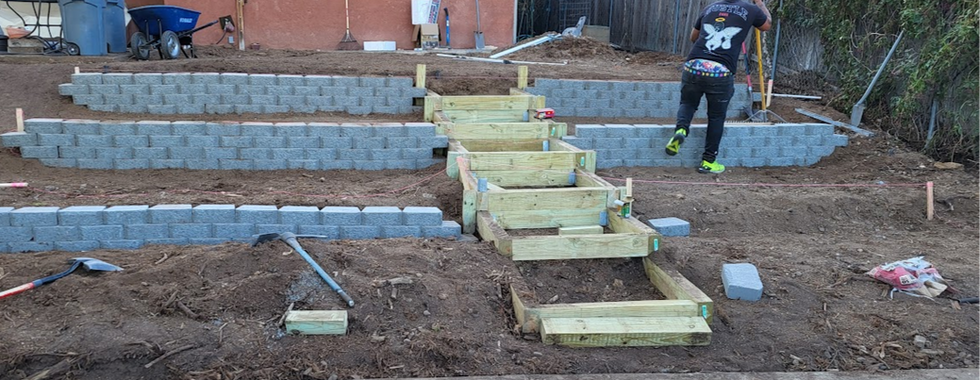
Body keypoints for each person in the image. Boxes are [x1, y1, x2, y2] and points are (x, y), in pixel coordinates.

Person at [665, 0, 771, 174]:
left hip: (693, 65)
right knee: (716, 117)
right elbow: (766, 25)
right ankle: (708, 161)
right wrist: (760, 3)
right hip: (720, 71)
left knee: (688, 104)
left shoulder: (710, 7)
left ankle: (682, 130)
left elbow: (694, 37)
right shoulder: (751, 9)